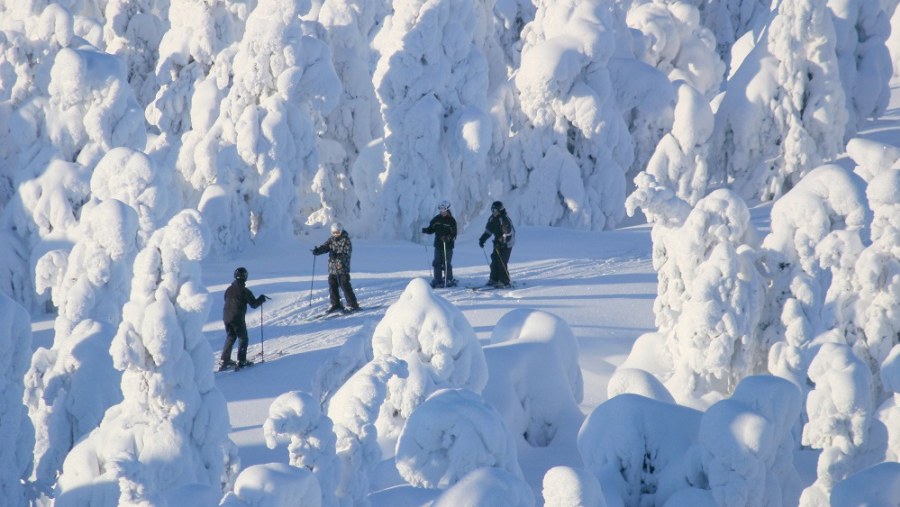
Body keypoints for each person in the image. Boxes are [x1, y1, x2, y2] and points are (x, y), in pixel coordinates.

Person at [220, 267, 269, 371]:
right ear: (245, 277)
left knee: (231, 336)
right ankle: (241, 361)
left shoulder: (229, 289)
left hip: (226, 317)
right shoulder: (245, 291)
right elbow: (254, 305)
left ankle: (224, 360)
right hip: (237, 317)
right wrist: (261, 299)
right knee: (243, 338)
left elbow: (225, 299)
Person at [312, 222, 359, 313]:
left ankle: (353, 304)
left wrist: (337, 255)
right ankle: (335, 303)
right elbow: (325, 247)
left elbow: (346, 253)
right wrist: (318, 251)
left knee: (344, 285)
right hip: (332, 268)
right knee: (332, 285)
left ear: (341, 231)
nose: (336, 234)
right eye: (334, 233)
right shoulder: (331, 240)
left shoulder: (346, 240)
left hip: (342, 267)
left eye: (337, 232)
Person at [478, 200, 515, 288]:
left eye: (495, 210)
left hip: (507, 244)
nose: (493, 212)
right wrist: (482, 239)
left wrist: (502, 241)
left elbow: (508, 233)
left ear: (500, 210)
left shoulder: (504, 219)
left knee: (501, 262)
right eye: (492, 210)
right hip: (498, 242)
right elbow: (488, 231)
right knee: (494, 260)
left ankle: (505, 281)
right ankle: (494, 279)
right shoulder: (492, 219)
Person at [422, 200, 458, 288]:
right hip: (438, 245)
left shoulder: (451, 221)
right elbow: (431, 229)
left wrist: (447, 237)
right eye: (441, 209)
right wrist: (426, 230)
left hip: (448, 246)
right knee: (437, 262)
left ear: (448, 209)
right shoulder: (437, 219)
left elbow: (454, 234)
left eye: (444, 209)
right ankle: (437, 279)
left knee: (446, 262)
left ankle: (448, 279)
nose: (442, 211)